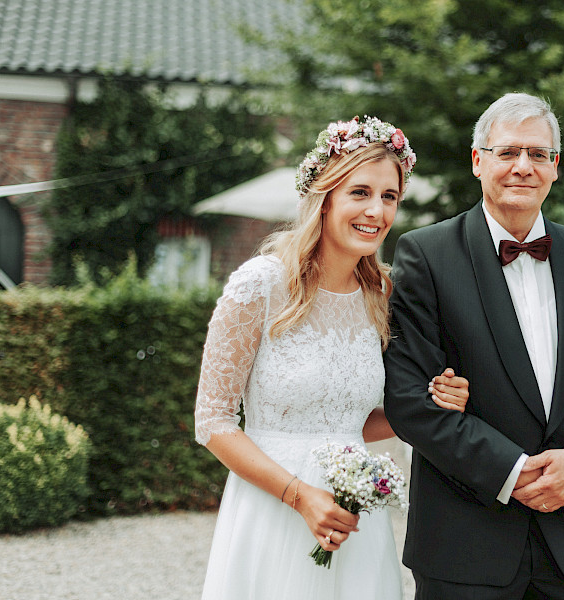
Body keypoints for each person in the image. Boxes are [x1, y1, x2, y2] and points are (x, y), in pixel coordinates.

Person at [383, 93, 564, 599]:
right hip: (465, 545)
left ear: (555, 168)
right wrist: (512, 471)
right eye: (507, 152)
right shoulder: (425, 256)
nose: (523, 167)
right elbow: (410, 398)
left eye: (538, 154)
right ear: (478, 160)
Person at [193, 116, 470, 600]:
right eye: (360, 192)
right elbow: (212, 421)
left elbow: (350, 421)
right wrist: (299, 497)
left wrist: (431, 402)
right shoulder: (260, 284)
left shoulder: (382, 294)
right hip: (272, 509)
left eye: (389, 197)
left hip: (354, 517)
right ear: (325, 198)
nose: (376, 211)